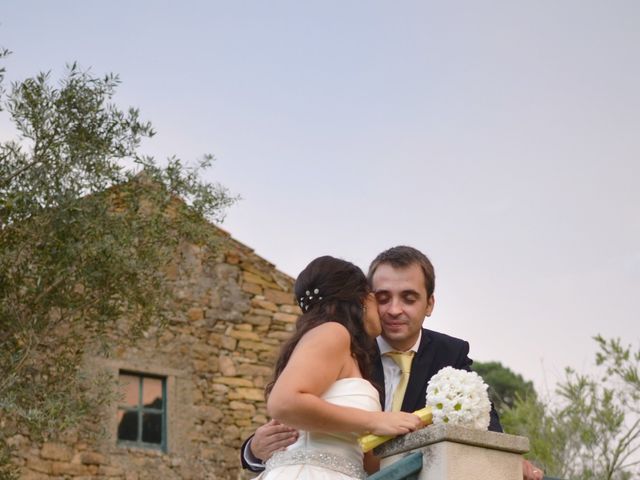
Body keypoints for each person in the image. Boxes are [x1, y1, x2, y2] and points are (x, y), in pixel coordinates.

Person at [243, 246, 545, 480]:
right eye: (383, 297)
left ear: (429, 304)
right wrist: (253, 450)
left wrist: (505, 459)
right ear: (365, 298)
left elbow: (480, 418)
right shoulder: (339, 339)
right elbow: (291, 411)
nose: (393, 310)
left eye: (409, 298)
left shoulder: (449, 354)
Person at [257, 255, 424, 479]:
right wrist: (376, 420)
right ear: (363, 299)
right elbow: (284, 402)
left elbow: (365, 459)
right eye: (377, 297)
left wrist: (415, 432)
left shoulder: (346, 351)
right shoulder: (333, 332)